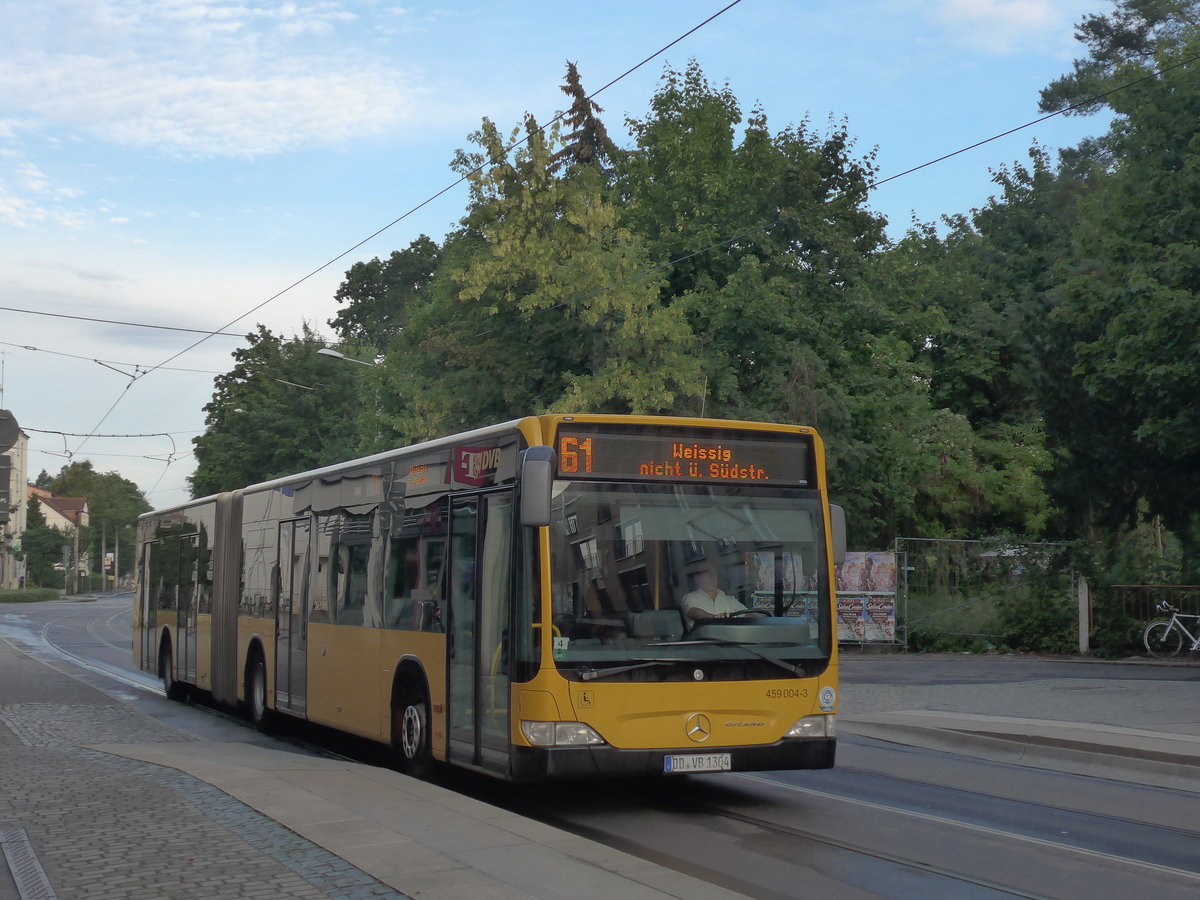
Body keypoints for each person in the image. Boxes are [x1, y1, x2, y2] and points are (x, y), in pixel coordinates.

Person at [681, 565, 758, 622]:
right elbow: (694, 612)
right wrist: (714, 618)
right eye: (708, 574)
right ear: (697, 578)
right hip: (703, 642)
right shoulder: (690, 598)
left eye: (714, 574)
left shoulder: (729, 600)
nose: (712, 577)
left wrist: (759, 619)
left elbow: (747, 614)